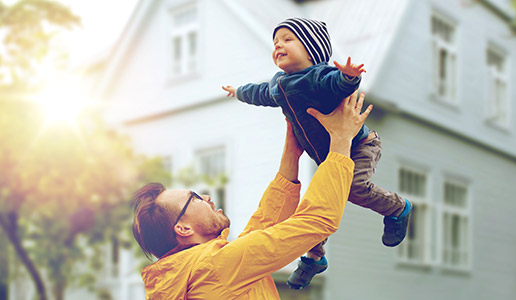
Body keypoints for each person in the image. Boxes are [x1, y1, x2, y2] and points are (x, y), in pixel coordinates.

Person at [222, 17, 412, 289]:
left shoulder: (318, 76)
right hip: (329, 158)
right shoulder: (278, 84)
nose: (278, 45)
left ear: (311, 50)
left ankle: (397, 208)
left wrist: (349, 76)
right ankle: (314, 258)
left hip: (359, 145)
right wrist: (239, 91)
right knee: (317, 203)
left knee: (353, 188)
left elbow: (337, 84)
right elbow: (260, 92)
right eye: (275, 42)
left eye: (287, 39)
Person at [132, 91, 372, 299]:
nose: (205, 197)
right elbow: (317, 220)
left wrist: (292, 149)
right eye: (194, 197)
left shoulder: (194, 272)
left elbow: (262, 228)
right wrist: (341, 140)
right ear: (183, 229)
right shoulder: (215, 267)